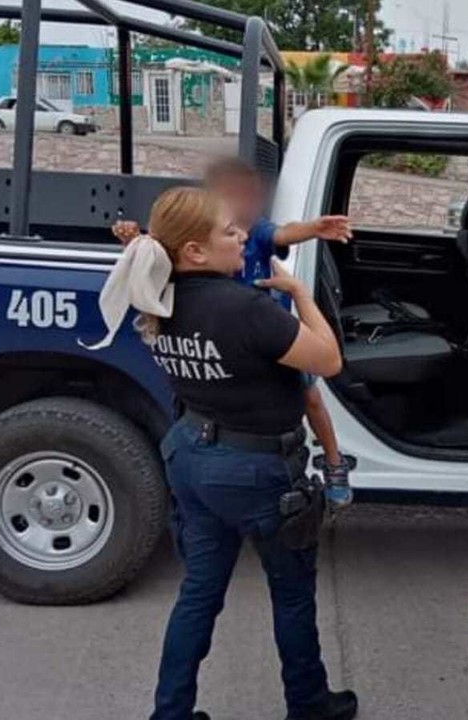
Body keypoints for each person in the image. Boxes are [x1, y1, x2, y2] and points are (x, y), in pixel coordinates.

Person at [88, 187, 357, 720]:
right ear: (194, 251)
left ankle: (171, 712)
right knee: (292, 595)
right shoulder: (245, 307)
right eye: (229, 233)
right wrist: (301, 295)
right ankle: (310, 705)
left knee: (198, 596)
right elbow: (327, 360)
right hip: (257, 470)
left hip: (193, 456)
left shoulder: (157, 299)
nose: (242, 240)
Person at [114, 157, 356, 508]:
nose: (238, 234)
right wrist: (134, 241)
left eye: (249, 192)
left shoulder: (252, 230)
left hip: (271, 335)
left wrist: (313, 228)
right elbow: (163, 257)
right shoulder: (203, 236)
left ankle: (334, 463)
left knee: (309, 397)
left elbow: (282, 233)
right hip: (236, 338)